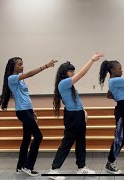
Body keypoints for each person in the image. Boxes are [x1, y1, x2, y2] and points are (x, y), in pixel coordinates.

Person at [0, 57, 58, 176]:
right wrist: (46, 66)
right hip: (22, 111)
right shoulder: (12, 78)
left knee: (26, 139)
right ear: (13, 66)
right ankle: (28, 166)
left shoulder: (20, 80)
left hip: (27, 110)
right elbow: (29, 74)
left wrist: (32, 111)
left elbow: (25, 96)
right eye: (20, 65)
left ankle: (20, 166)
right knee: (38, 136)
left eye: (22, 64)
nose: (22, 66)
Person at [48, 52, 104, 180]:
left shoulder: (69, 84)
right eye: (71, 71)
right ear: (64, 72)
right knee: (67, 142)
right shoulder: (64, 83)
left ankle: (81, 167)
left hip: (77, 114)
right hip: (72, 116)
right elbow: (81, 74)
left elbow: (75, 100)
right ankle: (54, 169)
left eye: (73, 71)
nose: (73, 73)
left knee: (81, 141)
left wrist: (83, 111)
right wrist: (92, 60)